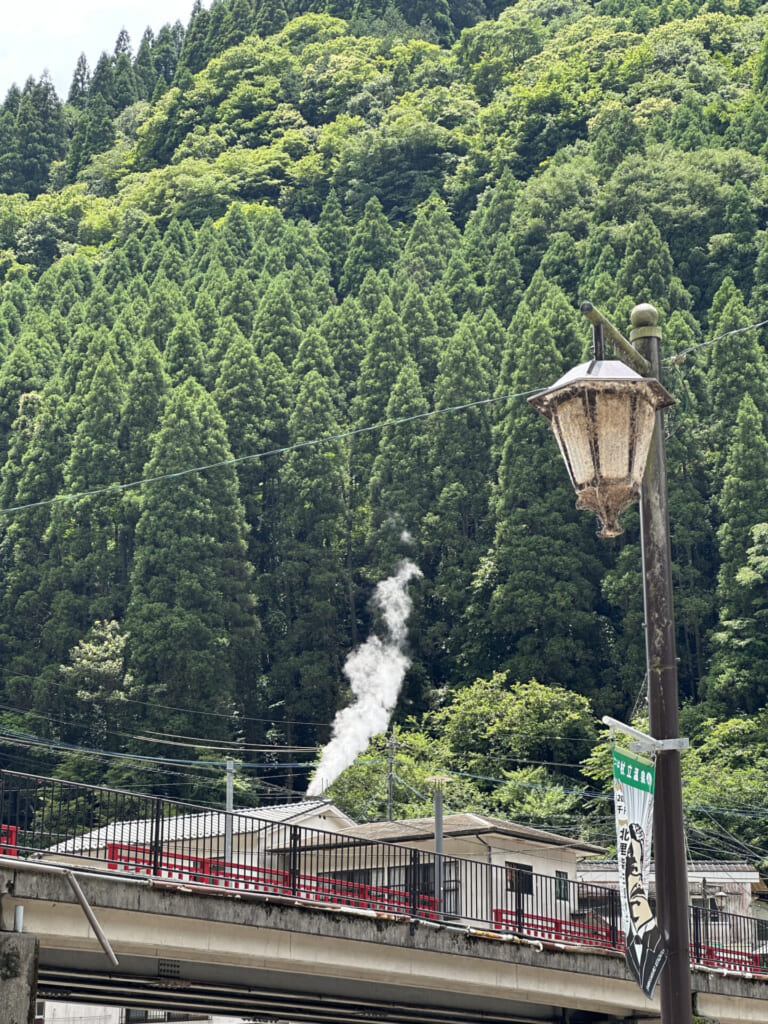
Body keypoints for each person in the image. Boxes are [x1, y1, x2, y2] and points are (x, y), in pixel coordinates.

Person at [623, 823, 666, 999]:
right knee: (634, 889)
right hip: (644, 933)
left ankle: (635, 847)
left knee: (634, 888)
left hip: (642, 934)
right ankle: (636, 847)